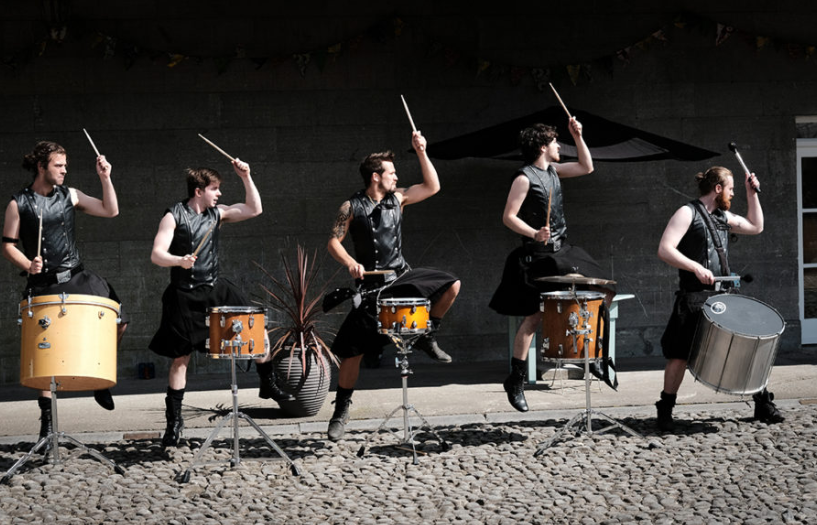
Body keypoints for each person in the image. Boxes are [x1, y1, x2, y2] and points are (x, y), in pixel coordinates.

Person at [325, 131, 461, 441]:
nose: (396, 177)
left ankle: (427, 334)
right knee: (351, 353)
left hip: (401, 278)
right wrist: (350, 262)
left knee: (451, 284)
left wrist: (422, 151)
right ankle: (341, 411)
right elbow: (333, 241)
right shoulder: (351, 206)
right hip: (371, 288)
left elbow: (433, 186)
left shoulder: (398, 198)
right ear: (376, 176)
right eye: (392, 172)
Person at [149, 160, 292, 449]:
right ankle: (174, 422)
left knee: (256, 328)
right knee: (180, 359)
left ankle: (267, 382)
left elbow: (254, 209)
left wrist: (246, 177)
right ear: (199, 191)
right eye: (214, 189)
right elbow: (157, 254)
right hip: (183, 294)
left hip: (216, 288)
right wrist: (179, 260)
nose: (219, 194)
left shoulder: (218, 214)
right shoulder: (173, 216)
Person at [1, 141, 128, 439]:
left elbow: (110, 210)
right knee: (47, 348)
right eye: (59, 165)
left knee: (119, 321)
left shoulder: (70, 195)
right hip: (43, 282)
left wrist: (105, 178)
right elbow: (7, 245)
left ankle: (100, 378)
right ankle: (47, 423)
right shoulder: (18, 203)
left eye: (65, 165)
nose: (64, 170)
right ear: (41, 167)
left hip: (76, 276)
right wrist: (27, 264)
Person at [489, 119, 612, 412]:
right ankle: (516, 379)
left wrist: (578, 136)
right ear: (543, 147)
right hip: (538, 256)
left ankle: (594, 355)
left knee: (604, 289)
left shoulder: (554, 171)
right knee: (534, 317)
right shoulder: (524, 178)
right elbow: (508, 217)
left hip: (563, 251)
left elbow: (586, 167)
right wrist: (534, 233)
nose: (559, 147)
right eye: (556, 142)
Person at [655, 166, 783, 431]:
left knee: (745, 346)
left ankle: (762, 403)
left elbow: (756, 226)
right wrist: (695, 267)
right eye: (731, 189)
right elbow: (665, 249)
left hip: (724, 296)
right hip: (693, 297)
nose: (733, 194)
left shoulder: (723, 216)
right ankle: (665, 410)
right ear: (717, 189)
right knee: (679, 355)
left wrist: (751, 193)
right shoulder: (687, 212)